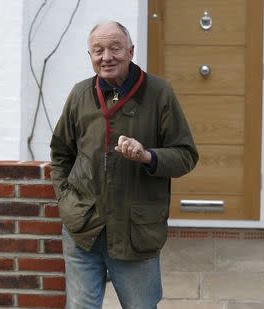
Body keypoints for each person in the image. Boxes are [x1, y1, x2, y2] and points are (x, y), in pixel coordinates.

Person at [50, 21, 199, 308]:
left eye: (115, 48)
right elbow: (60, 154)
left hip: (136, 233)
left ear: (131, 51)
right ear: (90, 56)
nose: (106, 57)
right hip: (84, 229)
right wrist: (66, 200)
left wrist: (148, 157)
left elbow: (186, 155)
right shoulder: (80, 95)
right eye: (98, 50)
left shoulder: (159, 93)